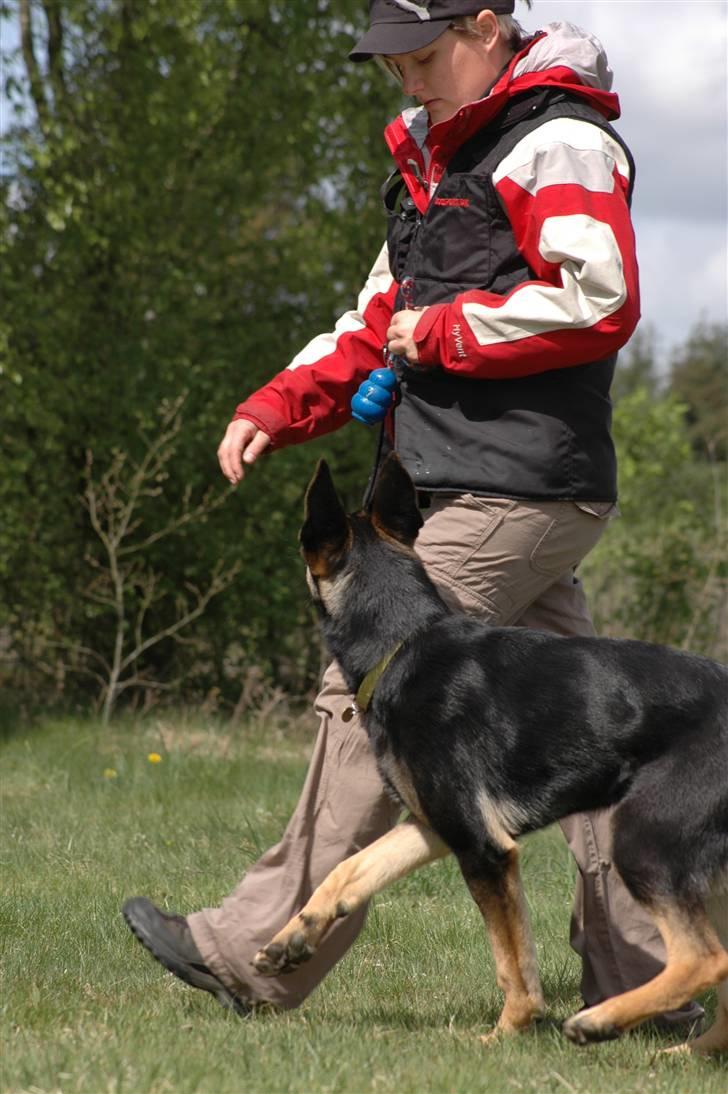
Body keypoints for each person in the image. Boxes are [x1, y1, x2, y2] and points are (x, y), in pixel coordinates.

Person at [123, 1, 702, 1033]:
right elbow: (370, 325)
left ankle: (251, 952)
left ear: (485, 26)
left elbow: (596, 294)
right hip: (475, 481)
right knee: (596, 729)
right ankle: (646, 973)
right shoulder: (436, 166)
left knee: (380, 683)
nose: (408, 82)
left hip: (514, 486)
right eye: (393, 64)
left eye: (425, 56)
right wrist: (275, 406)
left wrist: (444, 331)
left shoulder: (556, 140)